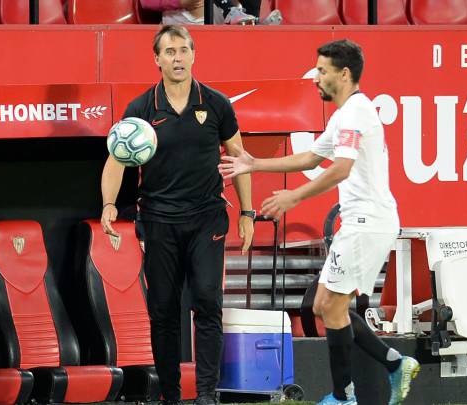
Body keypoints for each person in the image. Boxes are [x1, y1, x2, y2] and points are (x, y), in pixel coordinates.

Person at [219, 39, 420, 405]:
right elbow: (312, 158)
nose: (316, 78)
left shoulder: (356, 112)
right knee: (322, 304)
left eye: (323, 71)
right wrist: (254, 163)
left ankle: (345, 397)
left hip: (366, 222)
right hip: (362, 222)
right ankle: (393, 363)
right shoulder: (346, 113)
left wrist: (294, 197)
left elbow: (341, 168)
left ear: (344, 74)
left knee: (331, 307)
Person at [100, 25, 254, 405]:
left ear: (193, 55)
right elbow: (116, 161)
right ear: (157, 60)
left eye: (183, 50)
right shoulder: (140, 109)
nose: (177, 58)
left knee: (206, 300)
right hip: (158, 223)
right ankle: (170, 395)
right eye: (169, 52)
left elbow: (239, 159)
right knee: (164, 310)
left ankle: (206, 395)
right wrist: (107, 204)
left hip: (207, 219)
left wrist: (247, 212)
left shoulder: (216, 103)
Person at [140, 0, 281, 25]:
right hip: (180, 23)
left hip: (211, 15)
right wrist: (181, 2)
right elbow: (145, 2)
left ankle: (254, 24)